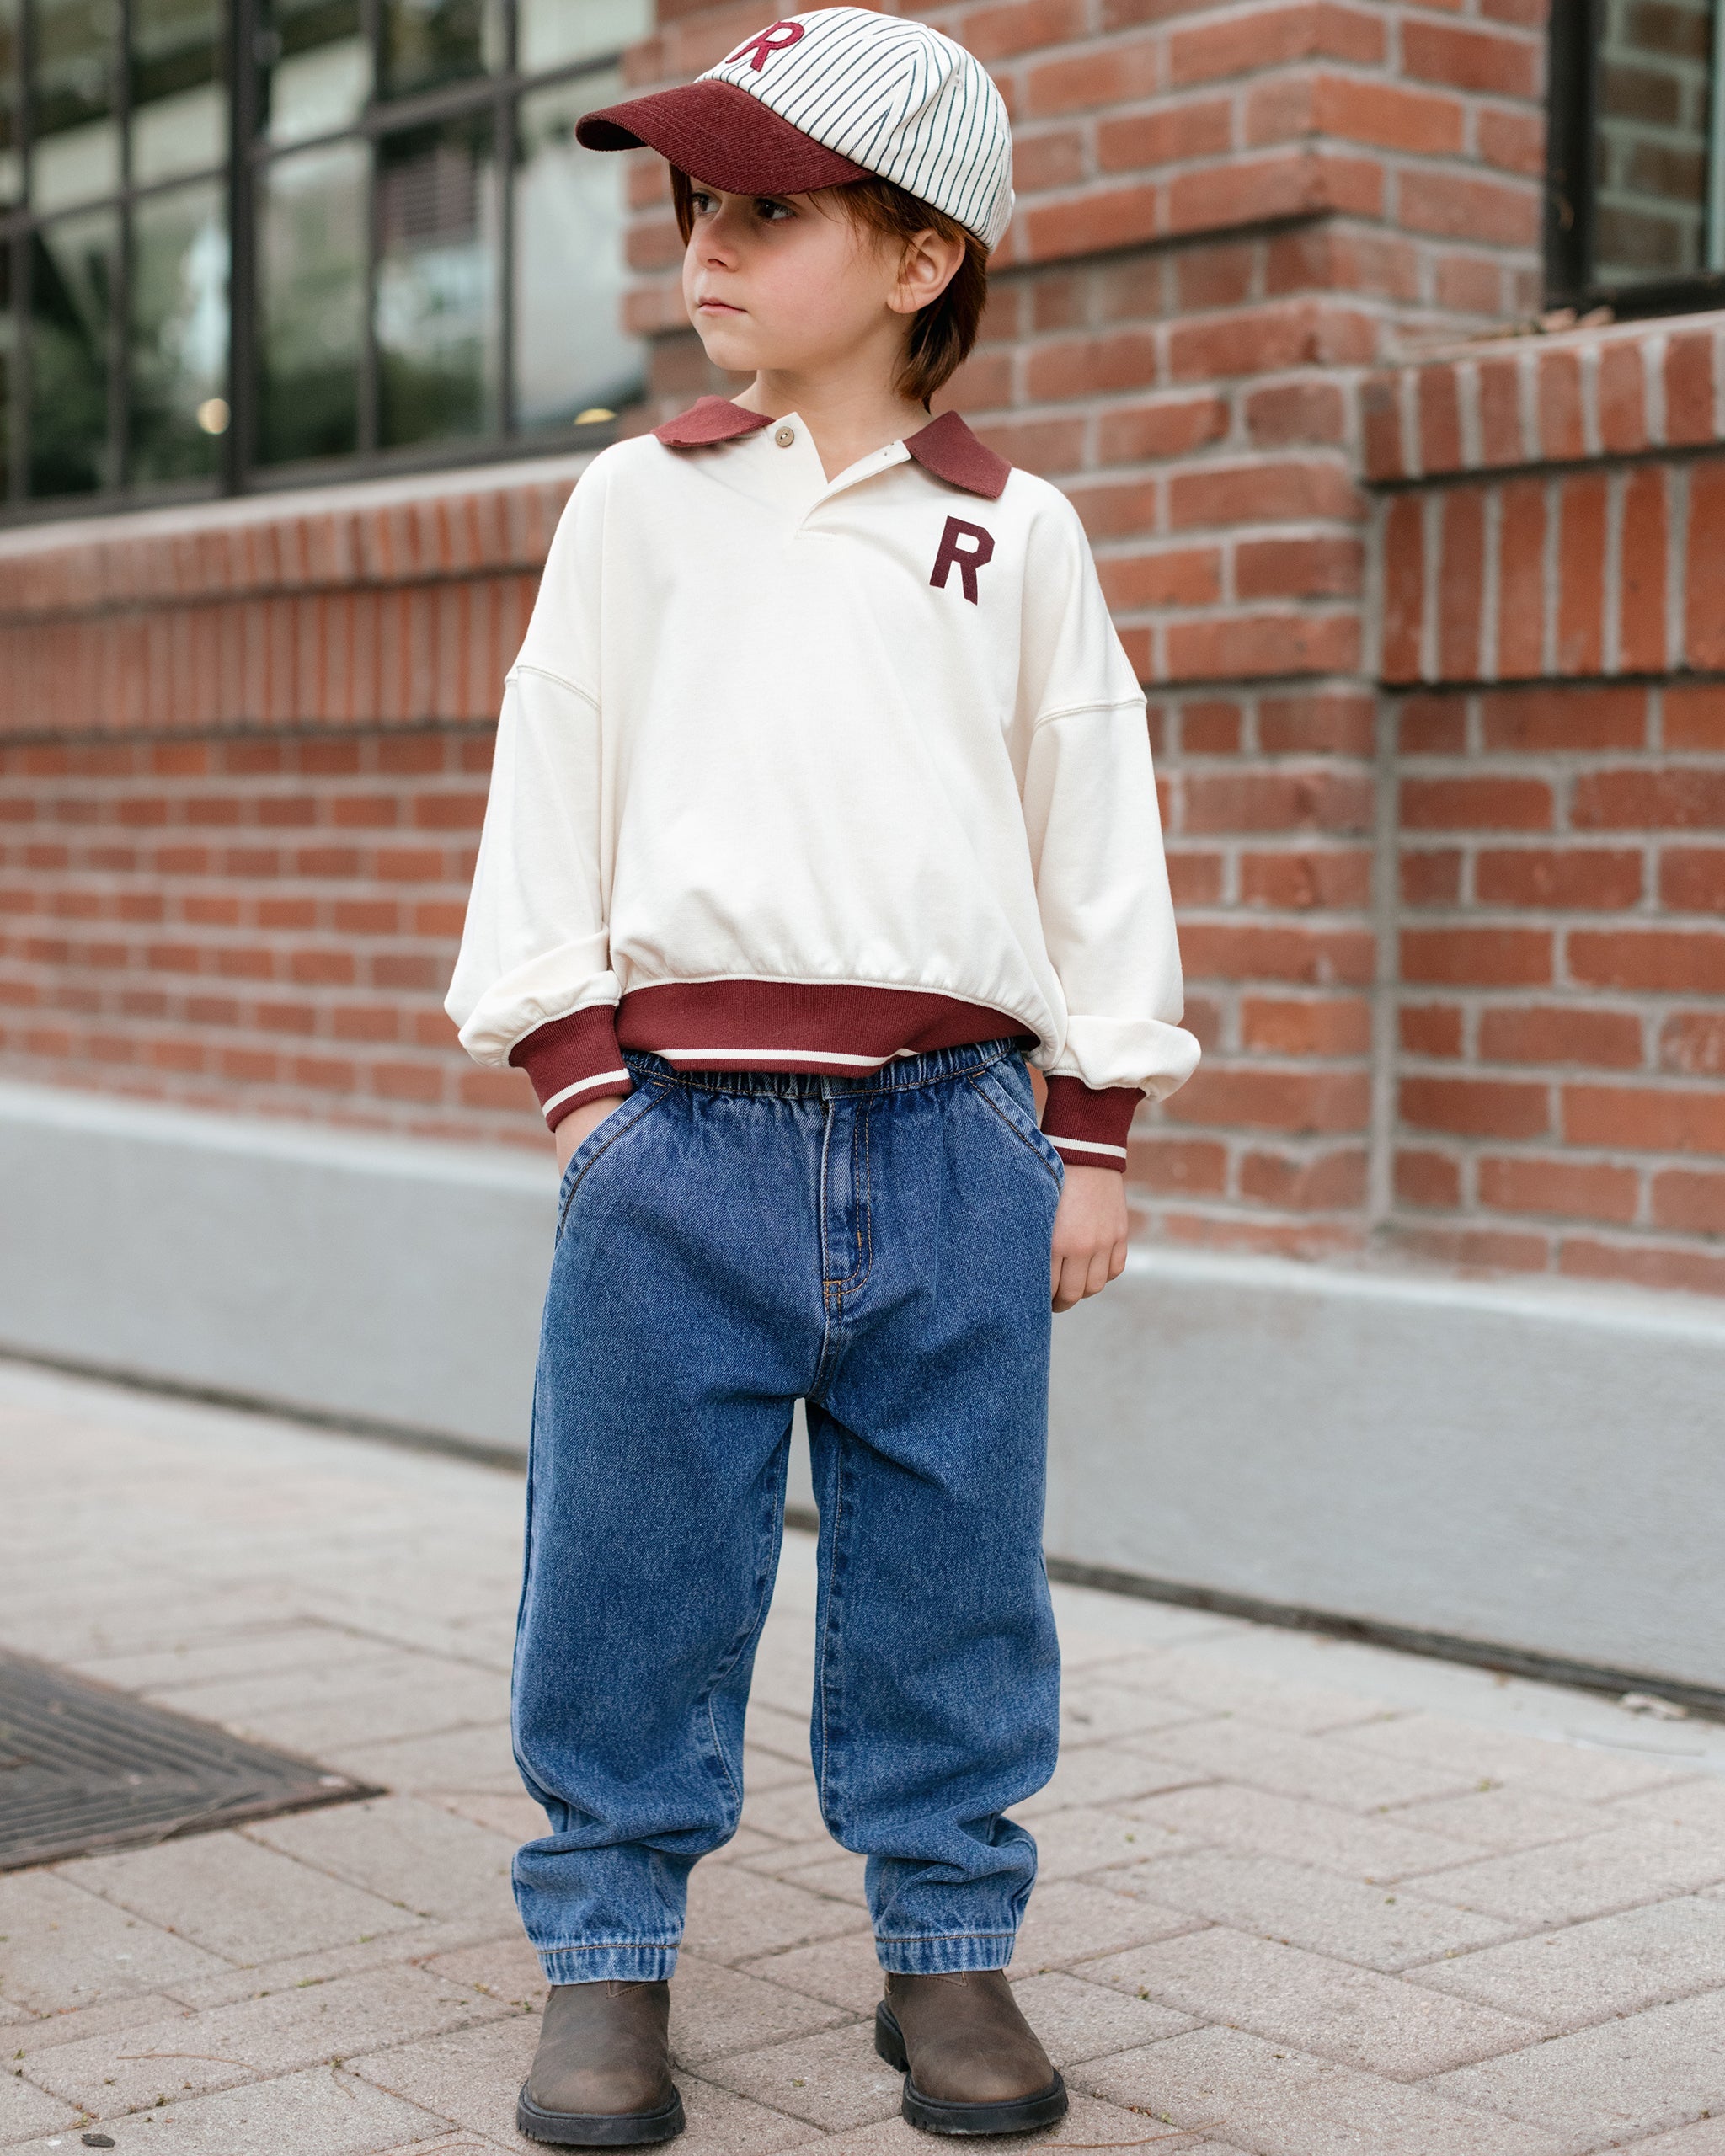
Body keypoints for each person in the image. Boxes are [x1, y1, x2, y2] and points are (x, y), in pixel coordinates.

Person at [445, 8, 1199, 2142]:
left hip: (956, 1135)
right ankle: (607, 1957)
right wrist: (586, 1086)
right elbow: (550, 773)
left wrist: (1092, 1128)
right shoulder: (638, 503)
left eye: (767, 208)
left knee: (955, 1562)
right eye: (698, 204)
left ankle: (947, 1946)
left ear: (920, 253)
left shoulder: (1012, 536)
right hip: (677, 1127)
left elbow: (1092, 828)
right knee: (628, 1559)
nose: (707, 246)